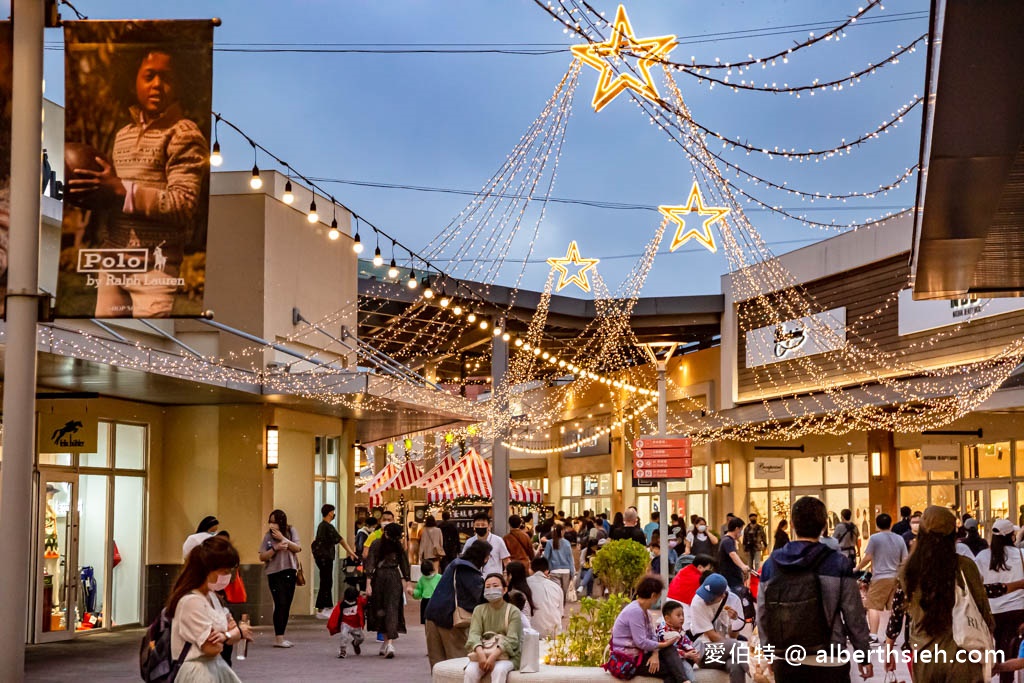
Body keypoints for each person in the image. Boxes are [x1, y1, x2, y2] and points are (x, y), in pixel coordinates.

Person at [69, 47, 207, 318]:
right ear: (132, 81)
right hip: (111, 261)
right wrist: (89, 190)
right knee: (105, 349)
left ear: (180, 83)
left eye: (166, 77)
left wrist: (122, 191)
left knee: (147, 353)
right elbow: (111, 195)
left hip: (155, 268)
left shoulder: (184, 133)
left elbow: (184, 205)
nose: (157, 84)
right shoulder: (123, 134)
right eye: (149, 76)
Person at [758, 496, 872, 682]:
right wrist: (863, 655)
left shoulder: (771, 564)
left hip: (787, 658)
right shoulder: (838, 563)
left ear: (792, 525)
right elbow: (854, 615)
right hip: (830, 657)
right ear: (824, 525)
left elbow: (763, 614)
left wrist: (768, 652)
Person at [886, 505, 994, 682]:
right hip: (963, 654)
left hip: (926, 656)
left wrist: (889, 650)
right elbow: (984, 612)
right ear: (953, 534)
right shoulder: (965, 567)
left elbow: (897, 613)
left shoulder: (909, 571)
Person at [166, 536, 252, 683]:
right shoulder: (191, 602)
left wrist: (224, 635)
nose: (227, 576)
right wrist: (230, 634)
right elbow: (211, 647)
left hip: (215, 668)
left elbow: (234, 632)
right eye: (223, 571)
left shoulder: (212, 597)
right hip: (197, 673)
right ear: (206, 570)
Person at [610, 574, 690, 682]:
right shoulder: (635, 611)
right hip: (630, 659)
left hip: (643, 654)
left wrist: (655, 653)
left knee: (670, 651)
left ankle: (685, 681)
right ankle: (685, 681)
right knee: (671, 670)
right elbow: (641, 642)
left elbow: (652, 635)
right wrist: (664, 644)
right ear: (653, 595)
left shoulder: (645, 612)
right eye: (658, 596)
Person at [424, 540, 491, 670]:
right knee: (457, 662)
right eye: (488, 556)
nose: (488, 559)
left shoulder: (455, 564)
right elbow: (476, 596)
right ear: (482, 556)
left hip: (432, 615)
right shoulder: (468, 570)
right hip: (450, 619)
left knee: (438, 664)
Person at [973, 519, 1024, 683]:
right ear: (1012, 535)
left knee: (998, 647)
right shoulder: (1021, 555)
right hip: (1017, 609)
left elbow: (976, 583)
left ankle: (997, 674)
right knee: (1010, 647)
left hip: (992, 611)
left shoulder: (982, 557)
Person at [855, 512, 908, 643]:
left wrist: (857, 568)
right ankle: (891, 637)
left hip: (880, 577)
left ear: (877, 524)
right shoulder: (899, 539)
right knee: (893, 607)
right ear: (891, 524)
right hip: (896, 577)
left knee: (872, 605)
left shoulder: (875, 538)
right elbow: (905, 559)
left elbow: (868, 557)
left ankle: (873, 635)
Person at [464, 573, 522, 683]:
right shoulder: (479, 610)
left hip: (507, 656)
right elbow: (474, 634)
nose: (491, 589)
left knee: (499, 670)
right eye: (488, 586)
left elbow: (513, 639)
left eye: (495, 586)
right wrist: (480, 654)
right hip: (483, 651)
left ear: (504, 590)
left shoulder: (513, 611)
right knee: (470, 671)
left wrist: (493, 657)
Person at [365, 522, 412, 659]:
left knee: (382, 609)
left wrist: (368, 584)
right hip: (393, 578)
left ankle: (388, 642)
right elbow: (404, 564)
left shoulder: (376, 544)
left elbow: (370, 563)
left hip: (379, 578)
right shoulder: (397, 545)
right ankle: (387, 643)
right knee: (391, 608)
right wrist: (408, 582)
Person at [257, 508, 301, 647]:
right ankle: (278, 638)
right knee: (280, 603)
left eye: (274, 522)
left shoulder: (291, 531)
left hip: (290, 570)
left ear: (281, 522)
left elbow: (298, 548)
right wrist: (275, 548)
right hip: (274, 573)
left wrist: (283, 539)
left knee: (286, 604)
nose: (272, 525)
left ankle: (282, 636)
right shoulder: (267, 537)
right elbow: (262, 556)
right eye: (270, 522)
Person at [655, 600, 699, 683]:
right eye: (678, 615)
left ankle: (697, 659)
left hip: (682, 655)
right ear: (667, 618)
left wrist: (692, 652)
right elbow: (669, 650)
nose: (682, 618)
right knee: (690, 674)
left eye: (682, 615)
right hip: (671, 659)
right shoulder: (663, 632)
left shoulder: (679, 629)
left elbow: (686, 641)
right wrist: (686, 654)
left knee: (699, 643)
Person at [313, 504, 344, 619]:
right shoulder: (327, 526)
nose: (334, 513)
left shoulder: (322, 526)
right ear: (330, 512)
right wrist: (351, 552)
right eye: (333, 511)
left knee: (325, 580)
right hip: (326, 558)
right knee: (327, 581)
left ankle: (322, 607)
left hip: (322, 558)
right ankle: (325, 607)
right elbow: (340, 540)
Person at [463, 511, 511, 577]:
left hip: (494, 579)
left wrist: (506, 575)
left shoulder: (498, 540)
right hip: (475, 579)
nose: (480, 527)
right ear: (474, 526)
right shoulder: (469, 542)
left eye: (483, 525)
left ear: (489, 526)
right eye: (477, 525)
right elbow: (464, 561)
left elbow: (506, 560)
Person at [526, 557, 565, 638]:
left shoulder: (525, 584)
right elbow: (560, 613)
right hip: (555, 634)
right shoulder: (556, 587)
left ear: (530, 570)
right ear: (547, 571)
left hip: (532, 634)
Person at [542, 523, 575, 600]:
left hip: (554, 570)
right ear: (562, 532)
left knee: (555, 591)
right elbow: (570, 559)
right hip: (566, 571)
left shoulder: (550, 543)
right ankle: (562, 609)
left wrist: (545, 570)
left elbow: (546, 558)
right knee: (563, 593)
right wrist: (572, 572)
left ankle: (556, 608)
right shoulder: (567, 543)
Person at [333, 585, 366, 659]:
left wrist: (366, 596)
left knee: (361, 638)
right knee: (344, 637)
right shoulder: (342, 604)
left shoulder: (359, 601)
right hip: (345, 624)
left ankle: (355, 643)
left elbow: (365, 602)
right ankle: (343, 650)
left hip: (356, 625)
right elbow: (338, 613)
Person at [718, 517, 748, 591]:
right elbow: (733, 554)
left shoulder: (729, 540)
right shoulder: (727, 541)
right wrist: (743, 566)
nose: (741, 532)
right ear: (737, 529)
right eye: (741, 529)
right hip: (730, 577)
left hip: (732, 575)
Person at [413, 559, 442, 625]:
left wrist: (414, 593)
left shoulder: (422, 579)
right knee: (434, 621)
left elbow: (419, 593)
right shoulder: (439, 577)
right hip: (435, 601)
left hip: (426, 602)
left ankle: (429, 634)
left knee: (427, 622)